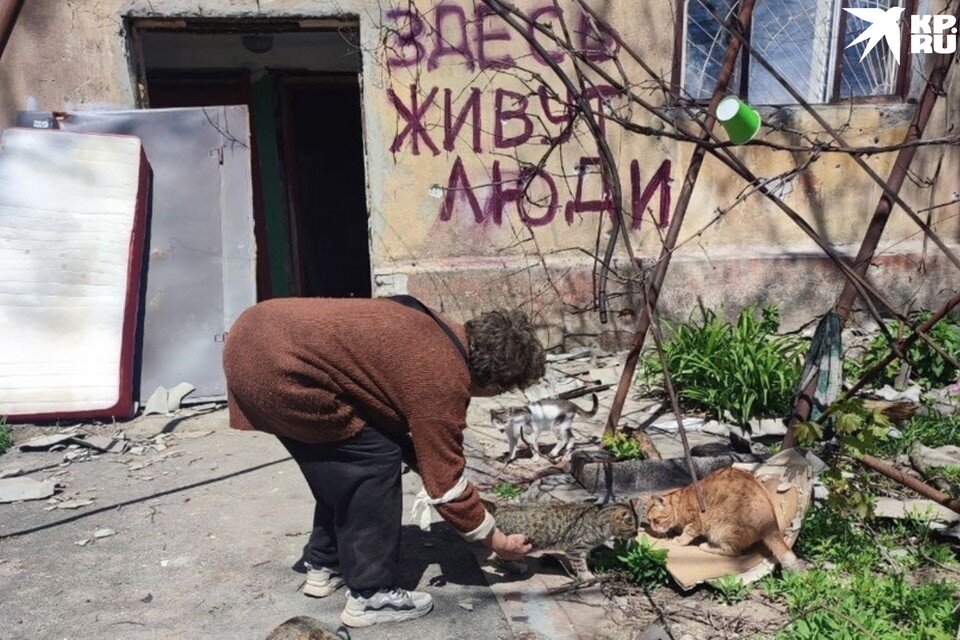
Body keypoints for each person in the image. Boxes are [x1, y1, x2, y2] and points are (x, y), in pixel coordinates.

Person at [222, 295, 545, 628]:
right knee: (372, 462)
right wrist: (496, 541)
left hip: (252, 337)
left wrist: (466, 503)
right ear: (495, 382)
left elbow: (409, 440)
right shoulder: (443, 377)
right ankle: (371, 596)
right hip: (281, 367)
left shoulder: (443, 330)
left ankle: (324, 563)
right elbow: (444, 484)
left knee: (339, 459)